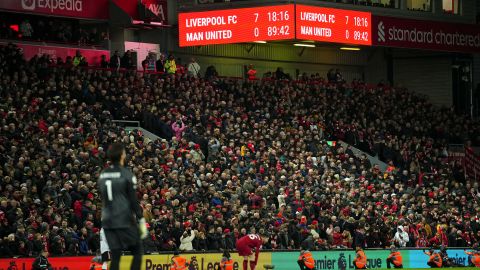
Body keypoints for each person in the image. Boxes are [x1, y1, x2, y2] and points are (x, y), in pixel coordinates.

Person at [98, 143, 147, 270]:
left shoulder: (103, 174)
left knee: (116, 256)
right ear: (122, 155)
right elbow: (133, 200)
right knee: (137, 249)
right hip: (123, 219)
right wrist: (141, 219)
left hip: (107, 221)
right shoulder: (126, 174)